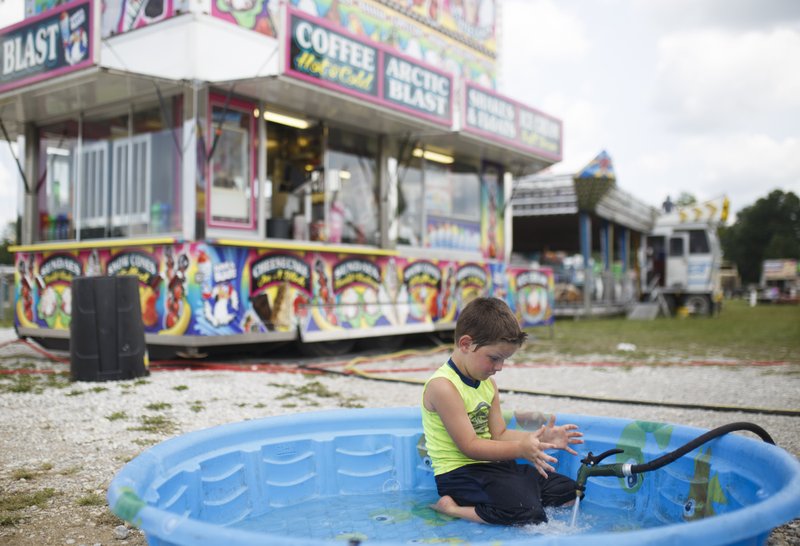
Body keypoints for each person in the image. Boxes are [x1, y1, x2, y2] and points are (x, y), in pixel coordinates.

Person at [421, 297, 583, 526]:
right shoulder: (443, 387)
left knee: (569, 493)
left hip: (494, 467)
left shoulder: (487, 383)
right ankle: (452, 509)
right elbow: (470, 446)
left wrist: (539, 438)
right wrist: (520, 449)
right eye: (494, 358)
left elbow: (499, 434)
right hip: (460, 474)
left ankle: (514, 499)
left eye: (504, 360)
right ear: (466, 344)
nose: (499, 367)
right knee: (528, 513)